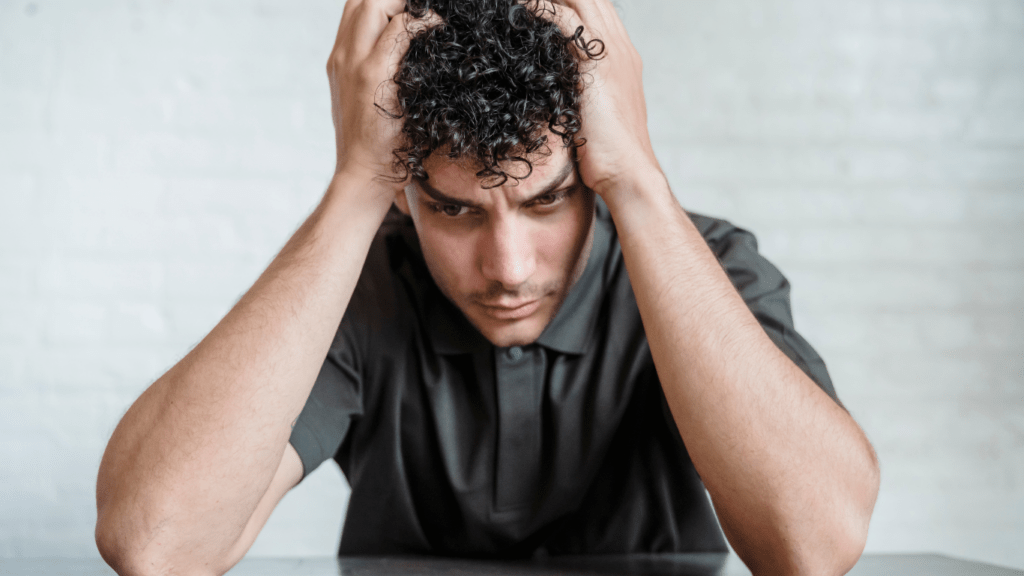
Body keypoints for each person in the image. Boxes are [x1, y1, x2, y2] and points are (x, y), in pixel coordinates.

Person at [95, 0, 880, 574]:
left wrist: (639, 181)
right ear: (408, 193)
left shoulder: (707, 264)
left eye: (546, 201)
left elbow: (815, 545)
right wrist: (355, 186)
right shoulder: (361, 285)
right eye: (453, 210)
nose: (507, 268)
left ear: (594, 177)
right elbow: (155, 544)